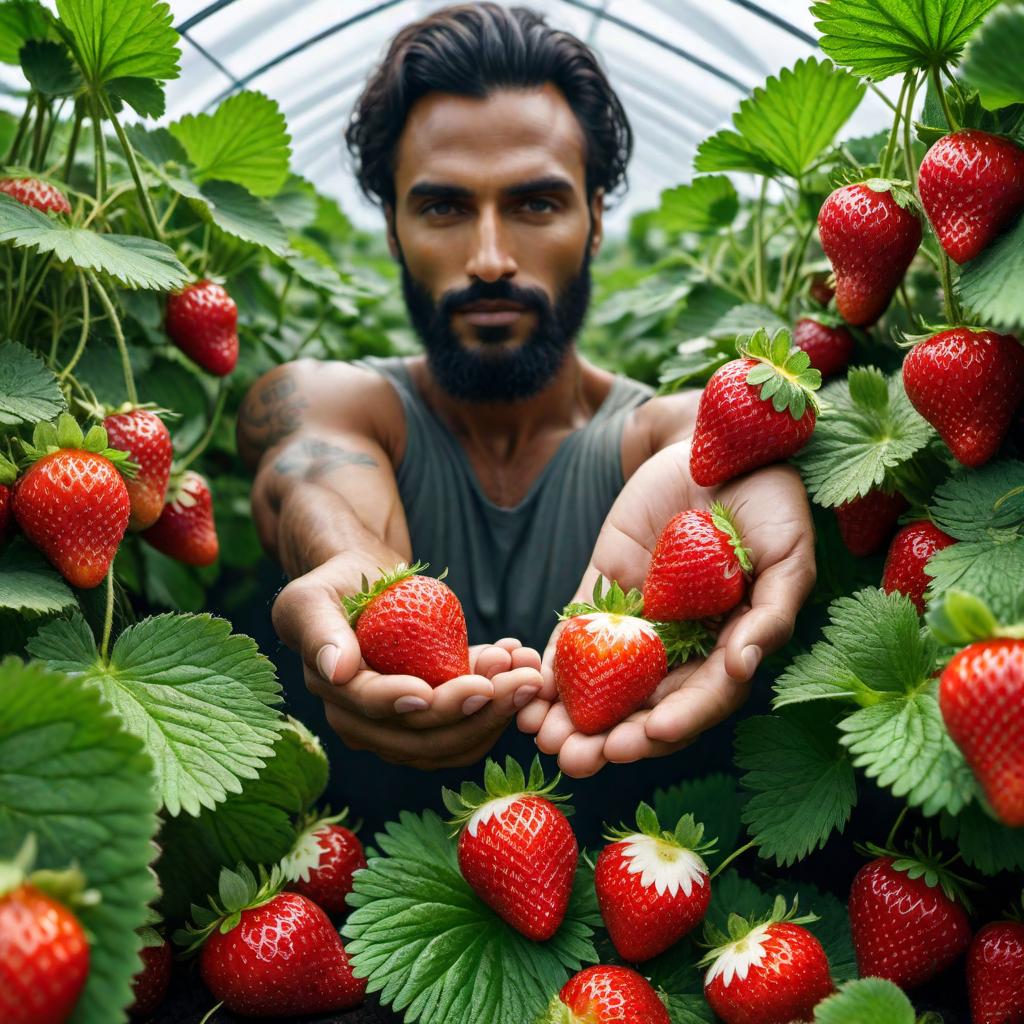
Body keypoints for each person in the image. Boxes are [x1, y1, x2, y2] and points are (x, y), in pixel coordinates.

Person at [238, 3, 814, 786]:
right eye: (442, 206)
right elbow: (304, 469)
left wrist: (749, 472)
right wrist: (349, 560)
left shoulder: (653, 438)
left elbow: (699, 442)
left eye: (534, 203)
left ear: (597, 218)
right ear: (392, 231)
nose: (489, 258)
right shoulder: (344, 404)